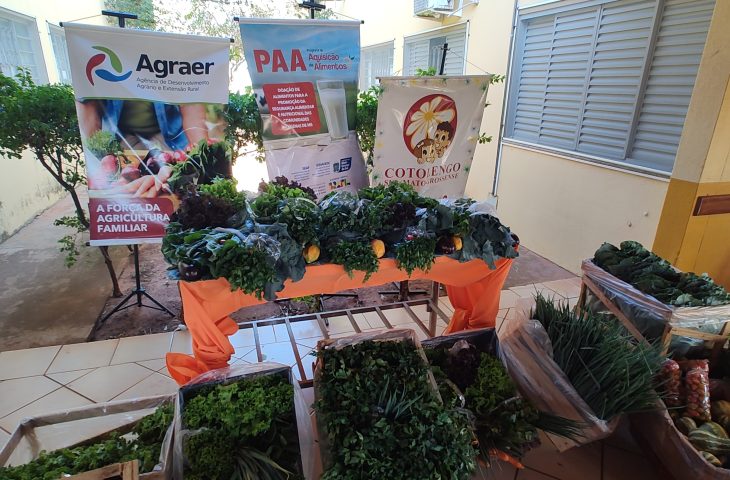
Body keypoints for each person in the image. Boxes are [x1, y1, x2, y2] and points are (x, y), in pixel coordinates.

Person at [77, 100, 209, 197]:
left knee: (178, 186)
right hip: (121, 135)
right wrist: (107, 160)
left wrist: (202, 158)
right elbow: (87, 103)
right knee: (122, 187)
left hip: (169, 134)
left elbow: (192, 104)